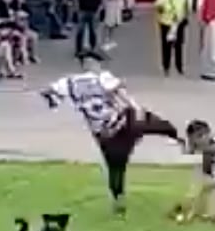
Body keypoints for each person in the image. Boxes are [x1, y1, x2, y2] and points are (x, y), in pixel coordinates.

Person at [41, 50, 183, 216]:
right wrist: (137, 109)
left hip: (103, 134)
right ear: (95, 64)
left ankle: (118, 200)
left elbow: (49, 93)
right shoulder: (103, 77)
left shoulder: (70, 82)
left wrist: (62, 100)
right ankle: (179, 137)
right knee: (153, 123)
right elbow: (121, 94)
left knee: (115, 167)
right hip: (123, 125)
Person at [154, 0, 189, 76]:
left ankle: (179, 66)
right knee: (166, 46)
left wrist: (184, 17)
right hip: (166, 23)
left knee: (179, 46)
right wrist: (162, 9)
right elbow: (158, 7)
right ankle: (166, 66)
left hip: (178, 23)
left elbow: (185, 7)